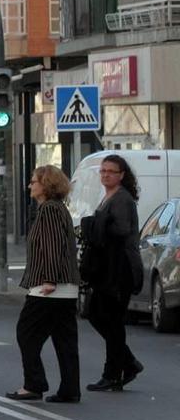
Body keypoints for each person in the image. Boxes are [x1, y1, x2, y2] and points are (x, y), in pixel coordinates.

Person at [6, 166, 81, 403]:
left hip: (49, 287)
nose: (29, 186)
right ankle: (70, 389)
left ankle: (33, 384)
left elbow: (52, 245)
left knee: (26, 333)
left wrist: (48, 279)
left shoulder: (48, 210)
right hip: (65, 287)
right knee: (64, 340)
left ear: (46, 185)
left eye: (33, 181)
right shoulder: (59, 209)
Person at [84, 155, 144, 392]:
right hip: (107, 268)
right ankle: (126, 364)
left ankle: (114, 372)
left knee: (111, 320)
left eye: (111, 171)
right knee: (98, 315)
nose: (105, 175)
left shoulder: (122, 199)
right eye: (103, 171)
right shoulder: (109, 196)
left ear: (121, 175)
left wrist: (97, 224)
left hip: (120, 269)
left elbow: (121, 230)